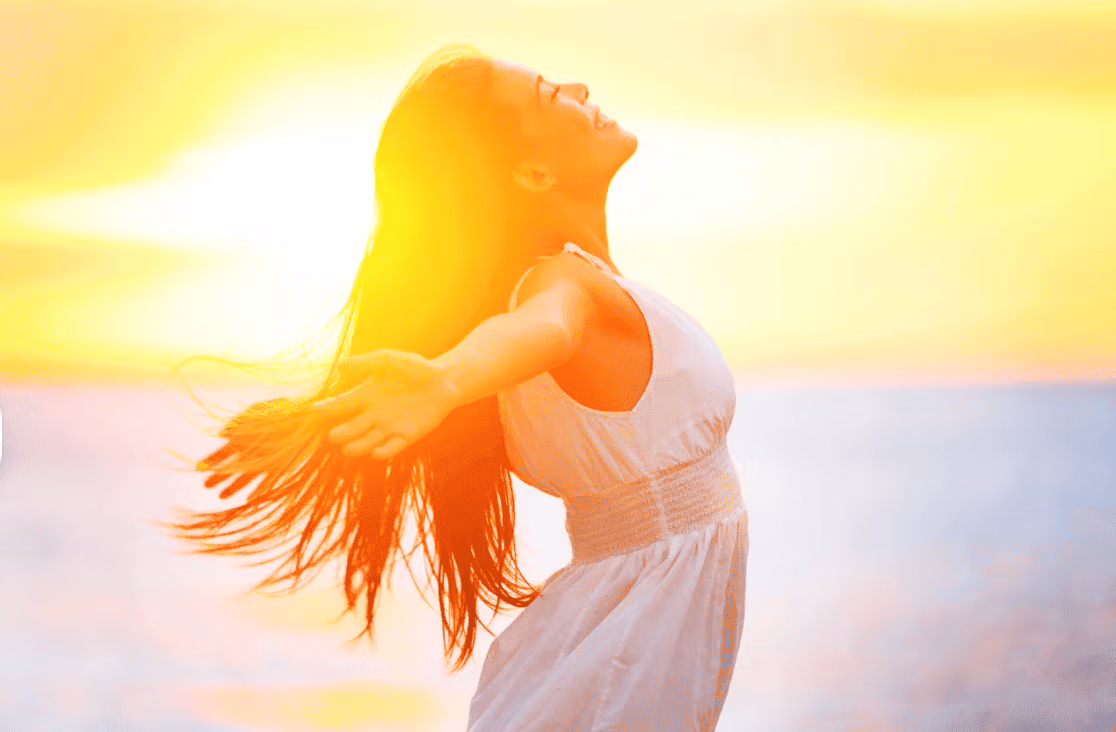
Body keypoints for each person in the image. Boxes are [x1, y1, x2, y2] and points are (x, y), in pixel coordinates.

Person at [170, 43, 749, 731]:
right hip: (623, 656)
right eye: (550, 94)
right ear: (533, 172)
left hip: (614, 639)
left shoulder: (565, 290)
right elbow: (546, 327)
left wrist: (341, 420)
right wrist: (446, 380)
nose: (578, 86)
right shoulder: (563, 286)